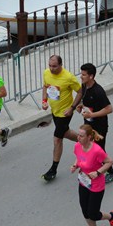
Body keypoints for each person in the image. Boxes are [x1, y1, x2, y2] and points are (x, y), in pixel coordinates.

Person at [73, 63, 113, 183]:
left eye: (83, 75)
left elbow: (109, 109)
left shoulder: (98, 91)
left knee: (99, 151)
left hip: (99, 127)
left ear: (91, 76)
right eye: (81, 74)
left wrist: (91, 115)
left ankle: (111, 172)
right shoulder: (84, 86)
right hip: (88, 126)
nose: (81, 77)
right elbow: (89, 103)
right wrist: (81, 107)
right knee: (90, 149)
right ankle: (92, 170)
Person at [72, 123, 113, 226]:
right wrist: (75, 165)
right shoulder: (77, 146)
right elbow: (79, 156)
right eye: (78, 135)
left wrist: (97, 172)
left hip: (96, 185)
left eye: (81, 136)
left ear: (89, 137)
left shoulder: (97, 150)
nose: (78, 138)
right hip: (84, 182)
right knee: (84, 210)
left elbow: (109, 162)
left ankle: (112, 216)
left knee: (93, 213)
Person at [39, 54, 81, 182]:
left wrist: (72, 108)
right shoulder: (46, 73)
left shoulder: (68, 77)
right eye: (50, 65)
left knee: (57, 139)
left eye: (54, 66)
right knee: (65, 132)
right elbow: (45, 87)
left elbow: (80, 91)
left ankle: (53, 169)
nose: (51, 68)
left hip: (65, 112)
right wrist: (44, 100)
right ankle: (85, 141)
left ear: (61, 65)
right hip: (54, 111)